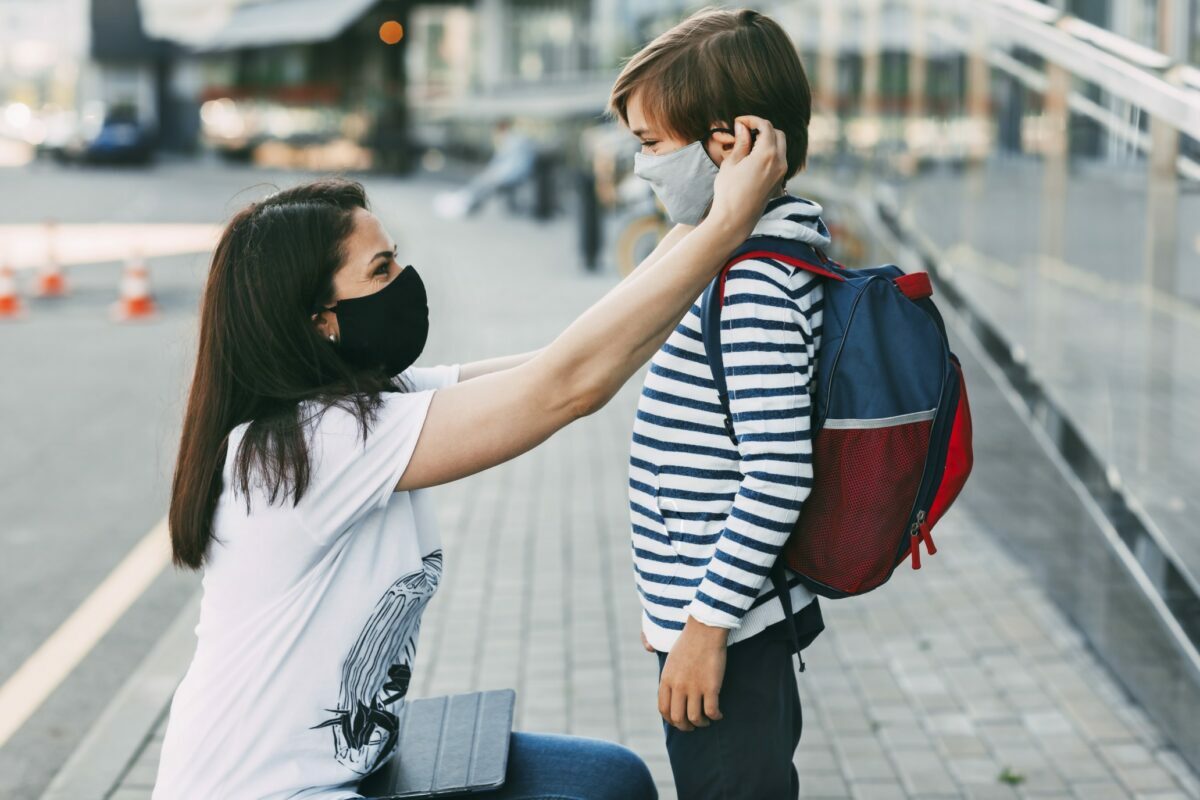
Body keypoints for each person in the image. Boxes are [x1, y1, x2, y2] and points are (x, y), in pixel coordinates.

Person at [154, 113, 789, 799]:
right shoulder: (313, 443)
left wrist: (704, 208)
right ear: (322, 322)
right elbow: (567, 388)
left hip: (355, 770)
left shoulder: (373, 402)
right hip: (267, 792)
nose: (405, 278)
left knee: (613, 782)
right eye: (381, 269)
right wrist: (727, 223)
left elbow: (563, 362)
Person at [609, 9, 828, 799]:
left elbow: (776, 473)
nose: (642, 168)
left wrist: (702, 631)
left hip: (730, 631)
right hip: (716, 615)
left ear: (729, 142)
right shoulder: (729, 254)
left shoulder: (755, 284)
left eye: (651, 144)